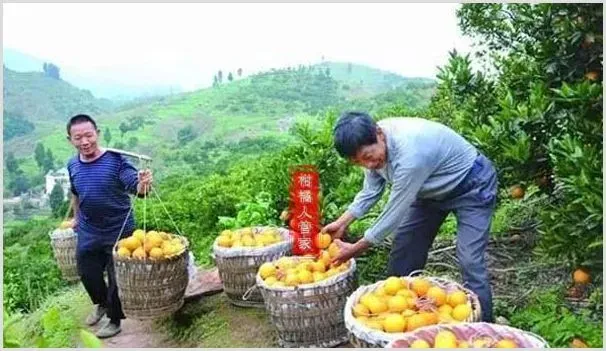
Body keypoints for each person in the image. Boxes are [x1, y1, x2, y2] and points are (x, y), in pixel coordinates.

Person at [322, 111, 497, 322]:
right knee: (405, 247)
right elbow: (371, 191)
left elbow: (394, 213)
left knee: (469, 258)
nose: (368, 165)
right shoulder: (370, 145)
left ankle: (485, 326)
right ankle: (398, 315)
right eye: (359, 162)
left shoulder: (411, 154)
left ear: (379, 133)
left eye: (368, 157)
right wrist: (342, 222)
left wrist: (356, 248)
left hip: (472, 185)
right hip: (429, 190)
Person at [66, 114, 153, 338]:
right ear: (70, 140)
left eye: (88, 135)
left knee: (116, 278)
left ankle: (115, 320)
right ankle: (101, 303)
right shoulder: (72, 164)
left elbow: (136, 187)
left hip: (119, 229)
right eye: (78, 138)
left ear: (98, 134)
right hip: (89, 229)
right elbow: (75, 193)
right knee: (87, 272)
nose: (85, 142)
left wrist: (142, 184)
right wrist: (76, 218)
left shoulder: (116, 161)